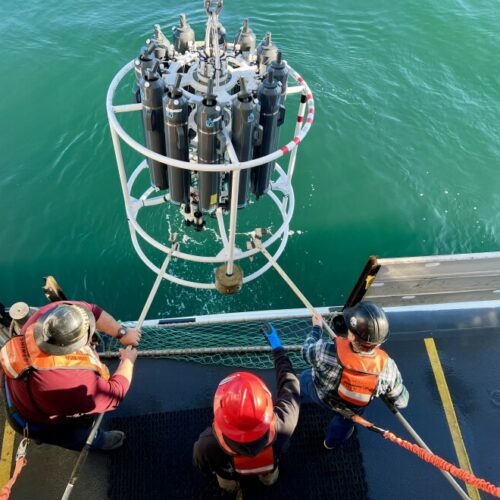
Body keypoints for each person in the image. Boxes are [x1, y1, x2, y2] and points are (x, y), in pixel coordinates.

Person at [0, 300, 141, 451]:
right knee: (76, 436)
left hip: (15, 394)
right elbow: (115, 394)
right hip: (32, 422)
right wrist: (128, 360)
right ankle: (99, 441)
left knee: (40, 415)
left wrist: (122, 332)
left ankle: (39, 437)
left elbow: (91, 310)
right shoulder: (70, 384)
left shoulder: (44, 318)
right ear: (74, 346)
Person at [193, 324, 300, 495]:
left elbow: (202, 465)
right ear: (266, 403)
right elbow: (290, 383)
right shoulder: (285, 423)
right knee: (270, 476)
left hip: (229, 472)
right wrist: (277, 348)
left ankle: (234, 488)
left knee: (225, 482)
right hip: (267, 466)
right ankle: (267, 481)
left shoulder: (207, 444)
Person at [301, 301, 409, 450]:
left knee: (303, 379)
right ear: (378, 343)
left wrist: (316, 328)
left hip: (321, 395)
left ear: (351, 336)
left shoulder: (324, 351)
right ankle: (330, 444)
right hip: (351, 411)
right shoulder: (388, 369)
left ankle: (295, 397)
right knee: (343, 425)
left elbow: (306, 351)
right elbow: (401, 402)